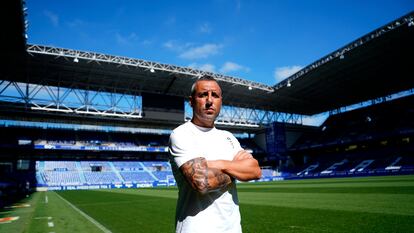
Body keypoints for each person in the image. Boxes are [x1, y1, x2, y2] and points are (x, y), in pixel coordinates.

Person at [169, 75, 262, 233]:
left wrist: (218, 164)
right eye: (203, 94)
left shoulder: (228, 137)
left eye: (215, 95)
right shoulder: (181, 134)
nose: (210, 100)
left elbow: (255, 170)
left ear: (220, 101)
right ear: (191, 101)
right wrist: (237, 170)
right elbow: (202, 183)